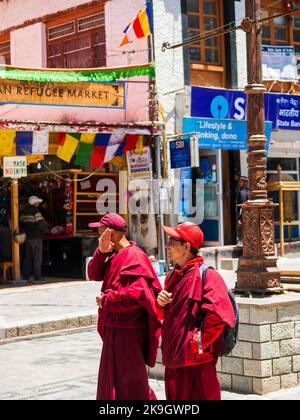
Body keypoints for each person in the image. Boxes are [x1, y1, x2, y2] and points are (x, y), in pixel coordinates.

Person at [157, 222, 235, 401]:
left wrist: (197, 343)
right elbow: (164, 315)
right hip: (174, 356)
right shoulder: (172, 275)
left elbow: (219, 314)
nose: (168, 245)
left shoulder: (207, 275)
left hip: (196, 361)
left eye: (172, 241)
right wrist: (160, 304)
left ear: (186, 246)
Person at [87, 213, 162, 401]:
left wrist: (107, 300)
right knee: (112, 381)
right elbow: (94, 273)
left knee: (131, 383)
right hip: (114, 328)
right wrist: (101, 252)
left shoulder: (135, 257)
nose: (99, 235)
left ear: (110, 232)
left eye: (101, 231)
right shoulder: (114, 255)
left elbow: (138, 295)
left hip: (129, 331)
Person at [20, 195, 48, 283]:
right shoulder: (36, 211)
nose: (38, 203)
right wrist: (46, 227)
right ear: (35, 203)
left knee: (28, 258)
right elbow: (40, 224)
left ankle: (25, 276)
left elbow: (21, 223)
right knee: (37, 258)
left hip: (28, 238)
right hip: (36, 237)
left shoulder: (24, 212)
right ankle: (38, 277)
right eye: (38, 202)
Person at [237, 176, 249, 243]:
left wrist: (239, 218)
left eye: (240, 182)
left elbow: (241, 207)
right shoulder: (249, 191)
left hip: (244, 215)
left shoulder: (242, 193)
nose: (239, 183)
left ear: (245, 183)